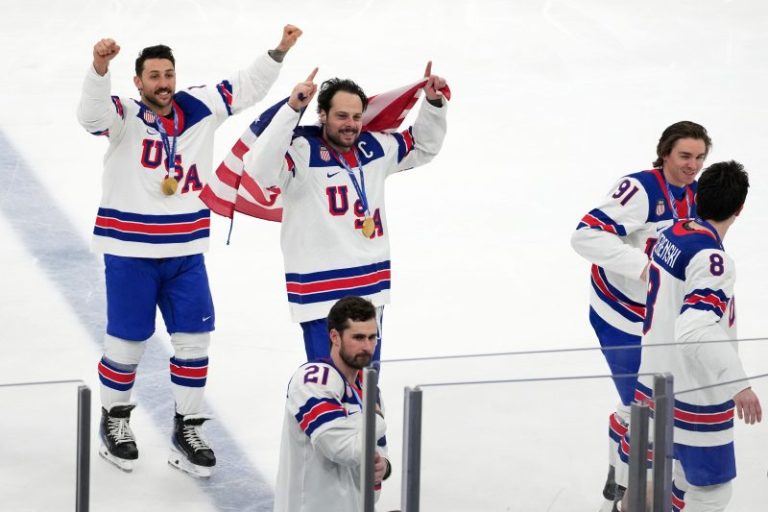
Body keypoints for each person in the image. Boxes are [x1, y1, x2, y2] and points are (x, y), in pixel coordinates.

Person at [76, 25, 302, 476]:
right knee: (126, 342)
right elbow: (90, 116)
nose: (163, 83)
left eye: (168, 74)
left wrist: (278, 51)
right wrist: (100, 69)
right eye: (153, 76)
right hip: (130, 250)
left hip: (185, 251)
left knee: (195, 343)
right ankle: (114, 421)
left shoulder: (199, 106)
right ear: (138, 82)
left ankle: (188, 425)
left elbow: (247, 86)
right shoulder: (123, 114)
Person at [242, 65, 448, 362]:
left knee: (365, 382)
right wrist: (291, 108)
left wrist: (433, 104)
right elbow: (260, 171)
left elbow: (424, 146)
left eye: (356, 116)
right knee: (327, 383)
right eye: (341, 116)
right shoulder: (301, 149)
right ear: (322, 114)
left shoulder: (374, 146)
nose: (351, 124)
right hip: (319, 290)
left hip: (369, 287)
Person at [570, 121, 712, 505]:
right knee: (645, 408)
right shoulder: (640, 189)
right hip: (619, 315)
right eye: (684, 156)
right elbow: (585, 235)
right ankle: (629, 494)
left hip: (661, 317)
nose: (692, 165)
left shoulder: (699, 195)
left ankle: (618, 474)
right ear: (665, 152)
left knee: (641, 402)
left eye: (699, 157)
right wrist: (644, 267)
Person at [616, 160, 761, 512]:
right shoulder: (712, 259)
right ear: (740, 209)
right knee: (709, 493)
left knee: (662, 482)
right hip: (695, 394)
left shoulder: (671, 234)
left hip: (655, 380)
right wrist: (738, 383)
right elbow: (696, 329)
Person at [274, 296, 390, 512]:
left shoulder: (369, 388)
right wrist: (377, 418)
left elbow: (378, 449)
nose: (367, 347)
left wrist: (383, 466)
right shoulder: (312, 381)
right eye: (358, 337)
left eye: (372, 337)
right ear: (335, 337)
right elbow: (343, 450)